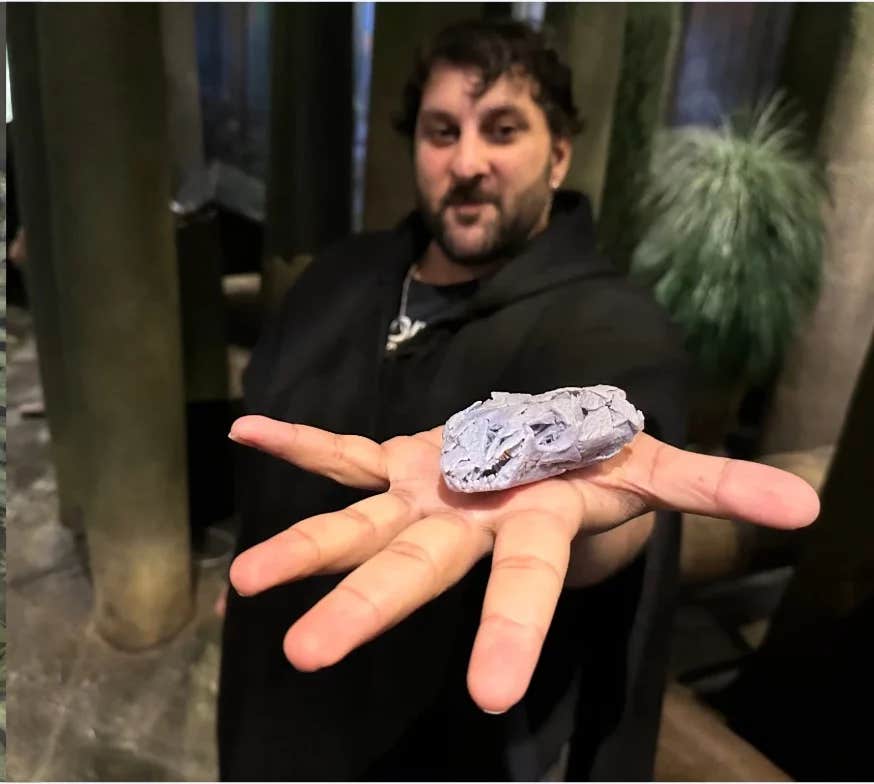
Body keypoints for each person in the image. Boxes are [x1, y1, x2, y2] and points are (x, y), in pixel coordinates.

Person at [217, 19, 819, 781]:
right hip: (276, 713)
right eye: (442, 132)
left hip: (442, 746)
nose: (467, 162)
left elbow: (619, 524)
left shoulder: (615, 324)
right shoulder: (338, 275)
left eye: (502, 130)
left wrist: (591, 523)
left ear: (559, 152)